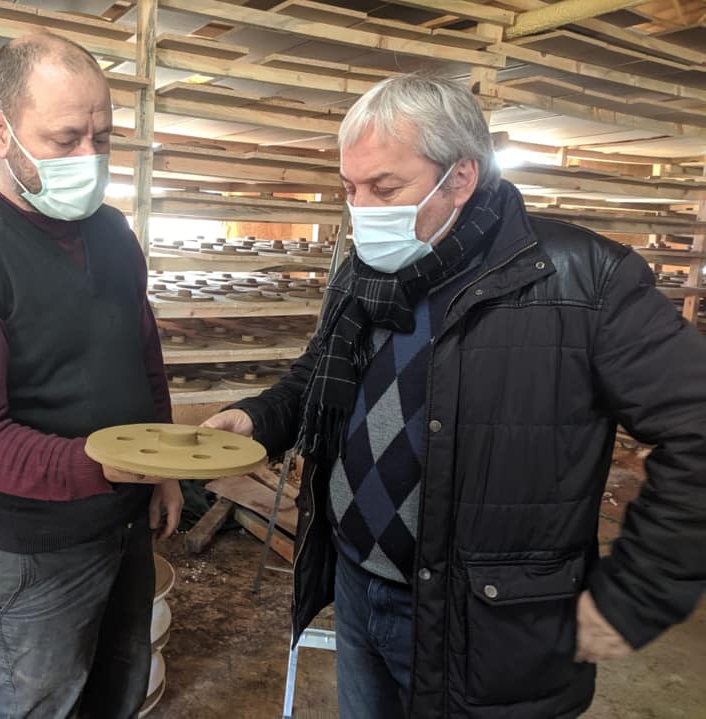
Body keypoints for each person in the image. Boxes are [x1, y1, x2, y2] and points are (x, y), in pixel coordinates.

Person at [204, 74, 706, 718]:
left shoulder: (583, 281)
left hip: (484, 620)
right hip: (358, 582)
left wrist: (637, 594)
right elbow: (320, 375)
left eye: (385, 188)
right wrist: (256, 417)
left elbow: (698, 429)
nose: (363, 210)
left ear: (461, 176)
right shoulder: (367, 272)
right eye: (351, 189)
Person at [0, 33, 182, 719]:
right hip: (33, 559)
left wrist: (165, 465)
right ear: (0, 132)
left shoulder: (112, 234)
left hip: (123, 527)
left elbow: (143, 357)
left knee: (118, 693)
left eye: (102, 138)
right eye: (64, 139)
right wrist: (101, 465)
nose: (89, 159)